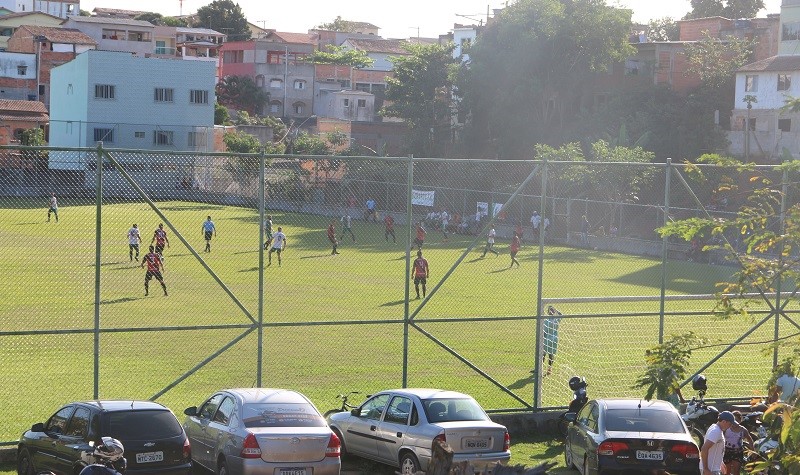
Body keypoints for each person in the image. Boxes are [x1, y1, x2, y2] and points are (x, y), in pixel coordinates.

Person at [700, 411, 735, 475]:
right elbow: (704, 449)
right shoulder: (716, 431)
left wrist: (720, 462)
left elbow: (716, 449)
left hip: (713, 468)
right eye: (730, 424)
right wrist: (706, 468)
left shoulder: (715, 428)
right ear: (724, 421)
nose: (730, 427)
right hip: (711, 469)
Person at [723, 411, 753, 475]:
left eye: (736, 420)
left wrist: (753, 451)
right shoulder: (726, 429)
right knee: (727, 471)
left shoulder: (743, 430)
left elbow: (749, 439)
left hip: (738, 452)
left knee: (736, 471)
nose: (734, 422)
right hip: (727, 451)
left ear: (740, 421)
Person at [542, 305, 561, 376]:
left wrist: (542, 339)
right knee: (551, 354)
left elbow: (544, 332)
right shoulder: (557, 320)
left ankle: (540, 368)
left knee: (543, 354)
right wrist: (555, 310)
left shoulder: (546, 321)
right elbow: (561, 314)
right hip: (554, 339)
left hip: (547, 339)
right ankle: (549, 369)